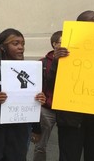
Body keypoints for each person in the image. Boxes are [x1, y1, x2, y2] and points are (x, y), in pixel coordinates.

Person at [0, 28, 46, 161]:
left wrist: (39, 99)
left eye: (23, 44)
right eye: (15, 44)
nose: (21, 47)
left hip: (19, 134)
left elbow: (31, 101)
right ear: (3, 47)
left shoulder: (29, 71)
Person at [47, 10, 94, 161]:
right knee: (69, 156)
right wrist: (57, 61)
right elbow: (51, 84)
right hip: (71, 119)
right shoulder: (66, 51)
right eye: (93, 23)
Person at [33, 30, 62, 161]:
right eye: (62, 42)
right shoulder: (43, 63)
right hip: (47, 108)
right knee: (41, 145)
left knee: (68, 145)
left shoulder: (75, 62)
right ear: (54, 44)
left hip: (66, 109)